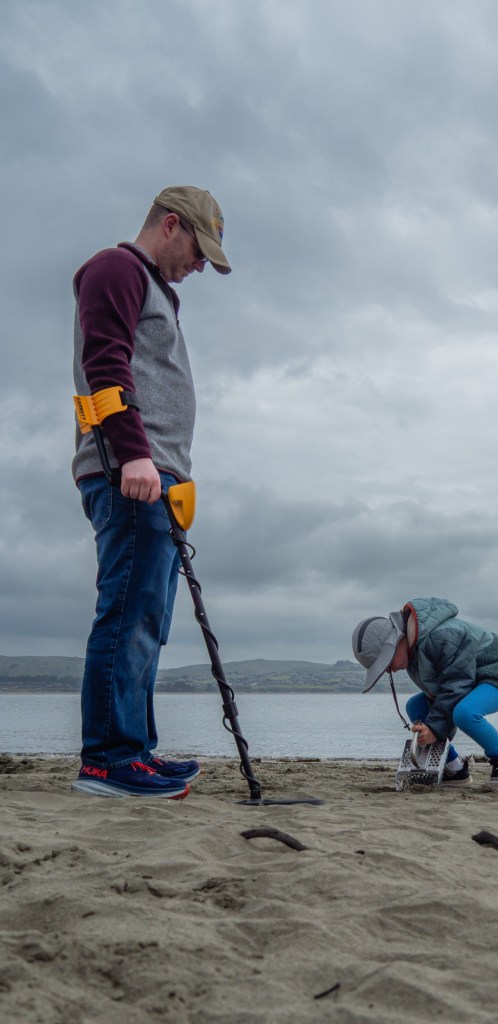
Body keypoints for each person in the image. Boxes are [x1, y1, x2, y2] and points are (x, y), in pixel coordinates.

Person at [71, 186, 231, 799]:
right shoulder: (116, 268)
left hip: (158, 475)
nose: (200, 266)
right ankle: (108, 760)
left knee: (148, 619)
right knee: (128, 613)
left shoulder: (153, 287)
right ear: (170, 225)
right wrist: (135, 453)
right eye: (199, 251)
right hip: (132, 471)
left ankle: (134, 751)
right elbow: (105, 362)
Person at [352, 597, 498, 790]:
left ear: (395, 642)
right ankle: (454, 769)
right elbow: (446, 689)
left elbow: (457, 685)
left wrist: (435, 730)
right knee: (415, 706)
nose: (388, 670)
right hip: (469, 680)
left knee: (466, 713)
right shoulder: (413, 650)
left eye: (385, 662)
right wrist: (432, 727)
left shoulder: (442, 637)